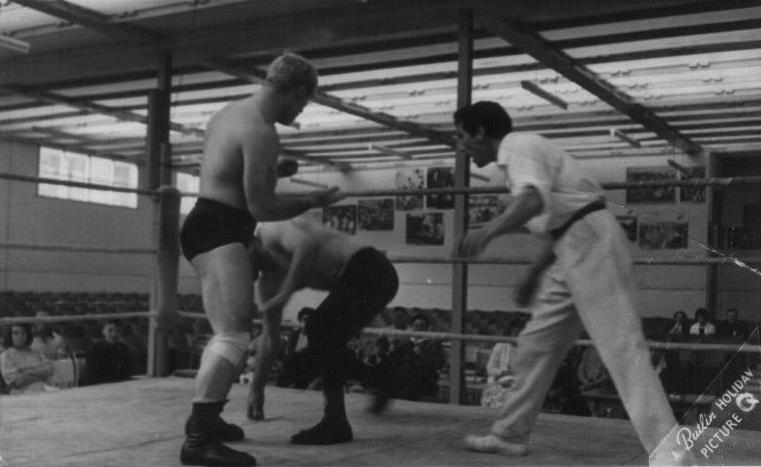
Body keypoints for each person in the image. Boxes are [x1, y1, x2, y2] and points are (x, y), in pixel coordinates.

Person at [453, 101, 684, 464]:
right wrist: (532, 274)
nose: (462, 146)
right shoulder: (521, 157)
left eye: (462, 136)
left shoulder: (517, 146)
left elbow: (532, 201)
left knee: (621, 348)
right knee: (536, 343)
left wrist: (487, 231)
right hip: (571, 245)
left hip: (590, 240)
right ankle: (509, 434)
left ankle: (671, 452)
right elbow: (554, 224)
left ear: (480, 132)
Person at [177, 52, 343, 466]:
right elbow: (262, 208)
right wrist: (311, 199)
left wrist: (273, 171)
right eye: (304, 102)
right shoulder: (262, 131)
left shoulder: (231, 113)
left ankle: (207, 423)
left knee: (227, 332)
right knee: (233, 335)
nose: (302, 110)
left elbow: (229, 170)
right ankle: (198, 442)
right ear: (298, 90)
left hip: (209, 222)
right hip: (221, 228)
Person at [248, 217, 398, 444]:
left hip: (371, 268)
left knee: (319, 328)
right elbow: (270, 338)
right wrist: (257, 387)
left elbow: (306, 246)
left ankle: (336, 421)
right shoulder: (268, 282)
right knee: (326, 342)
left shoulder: (272, 232)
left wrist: (286, 292)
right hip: (364, 281)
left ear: (248, 244)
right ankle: (380, 379)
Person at [1, 323, 54, 395]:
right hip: (21, 396)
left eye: (23, 333)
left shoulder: (35, 352)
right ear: (10, 335)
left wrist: (25, 371)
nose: (20, 336)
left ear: (28, 335)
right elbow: (17, 382)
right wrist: (41, 373)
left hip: (44, 391)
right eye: (16, 333)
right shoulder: (5, 356)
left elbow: (50, 369)